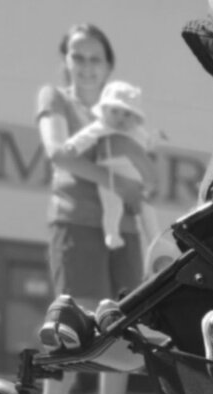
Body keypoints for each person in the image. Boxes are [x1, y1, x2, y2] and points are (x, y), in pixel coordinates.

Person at [34, 23, 144, 394]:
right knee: (71, 325)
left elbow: (139, 158)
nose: (85, 66)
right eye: (77, 57)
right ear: (65, 61)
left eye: (95, 58)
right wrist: (117, 182)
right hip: (76, 223)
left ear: (109, 65)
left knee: (120, 328)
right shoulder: (54, 97)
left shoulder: (121, 110)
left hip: (124, 228)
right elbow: (58, 152)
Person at [62, 80, 163, 269]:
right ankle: (111, 233)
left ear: (135, 117)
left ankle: (155, 239)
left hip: (135, 175)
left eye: (127, 114)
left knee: (147, 209)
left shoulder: (136, 131)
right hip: (110, 172)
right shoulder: (102, 127)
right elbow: (86, 136)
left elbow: (147, 143)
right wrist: (73, 145)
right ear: (105, 110)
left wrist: (155, 138)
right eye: (115, 112)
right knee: (112, 205)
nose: (120, 118)